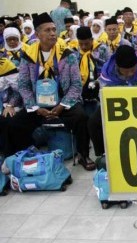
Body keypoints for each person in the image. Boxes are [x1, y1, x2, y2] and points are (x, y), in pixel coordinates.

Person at [5, 12, 95, 170]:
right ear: (38, 34)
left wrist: (62, 105)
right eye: (47, 30)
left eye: (54, 29)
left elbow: (76, 85)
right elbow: (24, 85)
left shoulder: (67, 54)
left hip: (63, 102)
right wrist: (35, 107)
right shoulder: (28, 55)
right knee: (15, 123)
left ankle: (83, 154)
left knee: (81, 117)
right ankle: (25, 154)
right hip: (38, 105)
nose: (53, 33)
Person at [88, 45, 137, 157]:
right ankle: (103, 156)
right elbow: (106, 95)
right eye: (126, 72)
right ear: (118, 67)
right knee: (93, 123)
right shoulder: (108, 72)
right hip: (116, 104)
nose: (130, 74)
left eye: (133, 70)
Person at [74, 26, 111, 115]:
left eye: (86, 43)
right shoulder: (75, 51)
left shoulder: (102, 49)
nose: (83, 46)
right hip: (81, 91)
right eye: (81, 43)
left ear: (91, 40)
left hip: (98, 88)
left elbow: (109, 68)